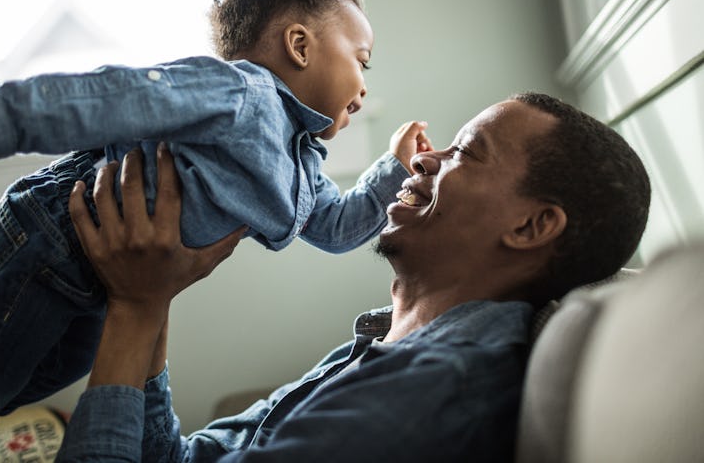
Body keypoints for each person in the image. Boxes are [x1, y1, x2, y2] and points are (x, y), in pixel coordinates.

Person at [0, 0, 429, 460]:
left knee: (47, 371)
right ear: (301, 46)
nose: (362, 89)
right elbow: (110, 97)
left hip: (99, 279)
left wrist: (393, 171)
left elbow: (336, 230)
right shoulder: (238, 93)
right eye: (362, 62)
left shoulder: (301, 169)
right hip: (51, 235)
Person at [55, 92, 651, 462]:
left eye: (467, 153)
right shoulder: (383, 343)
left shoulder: (437, 390)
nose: (424, 158)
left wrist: (133, 310)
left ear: (530, 226)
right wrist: (151, 297)